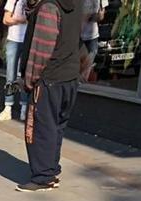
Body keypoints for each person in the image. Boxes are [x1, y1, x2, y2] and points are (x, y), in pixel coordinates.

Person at [19, 0, 84, 191]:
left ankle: (43, 177)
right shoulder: (72, 4)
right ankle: (51, 169)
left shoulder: (48, 7)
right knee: (55, 127)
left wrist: (30, 80)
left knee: (40, 128)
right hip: (69, 77)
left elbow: (41, 50)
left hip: (49, 78)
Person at [2, 0, 28, 119]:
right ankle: (8, 106)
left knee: (24, 75)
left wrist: (15, 19)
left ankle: (24, 107)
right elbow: (6, 19)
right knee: (10, 74)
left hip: (28, 40)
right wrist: (22, 19)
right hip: (13, 39)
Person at [81, 0, 104, 72]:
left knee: (88, 68)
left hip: (92, 36)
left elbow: (101, 16)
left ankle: (83, 80)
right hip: (78, 35)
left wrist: (89, 16)